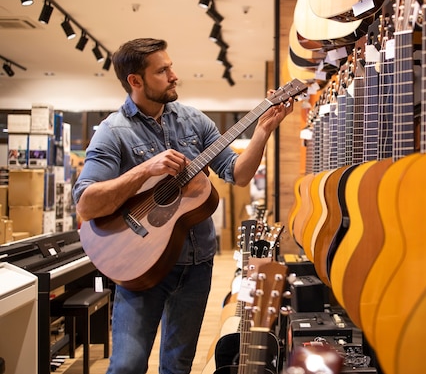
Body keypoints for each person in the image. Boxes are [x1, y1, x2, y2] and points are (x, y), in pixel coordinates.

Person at [72, 38, 294, 374]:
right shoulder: (112, 132)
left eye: (170, 66)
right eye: (162, 71)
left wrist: (263, 132)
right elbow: (86, 205)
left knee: (177, 365)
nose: (174, 75)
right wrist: (145, 170)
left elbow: (239, 174)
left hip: (196, 265)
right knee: (127, 365)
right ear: (136, 81)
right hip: (138, 266)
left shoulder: (194, 122)